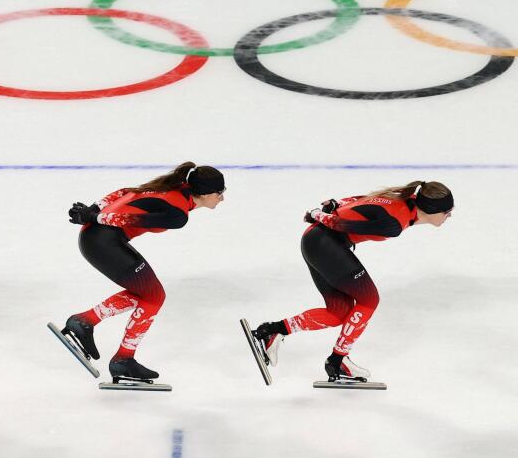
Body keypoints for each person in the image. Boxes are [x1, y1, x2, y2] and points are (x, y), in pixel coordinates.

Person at [250, 181, 453, 382]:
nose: (449, 216)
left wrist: (335, 204)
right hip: (324, 244)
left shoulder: (405, 200)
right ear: (433, 210)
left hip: (317, 242)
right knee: (370, 300)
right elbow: (340, 225)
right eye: (447, 212)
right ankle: (337, 360)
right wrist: (317, 214)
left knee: (338, 312)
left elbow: (359, 200)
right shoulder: (395, 223)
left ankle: (272, 331)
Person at [59, 162, 225, 384]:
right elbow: (131, 219)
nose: (222, 198)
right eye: (219, 192)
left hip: (98, 238)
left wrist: (93, 210)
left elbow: (124, 193)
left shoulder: (175, 188)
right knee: (155, 296)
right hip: (103, 242)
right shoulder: (178, 214)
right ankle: (122, 358)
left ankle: (85, 321)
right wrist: (94, 215)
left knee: (148, 294)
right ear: (204, 193)